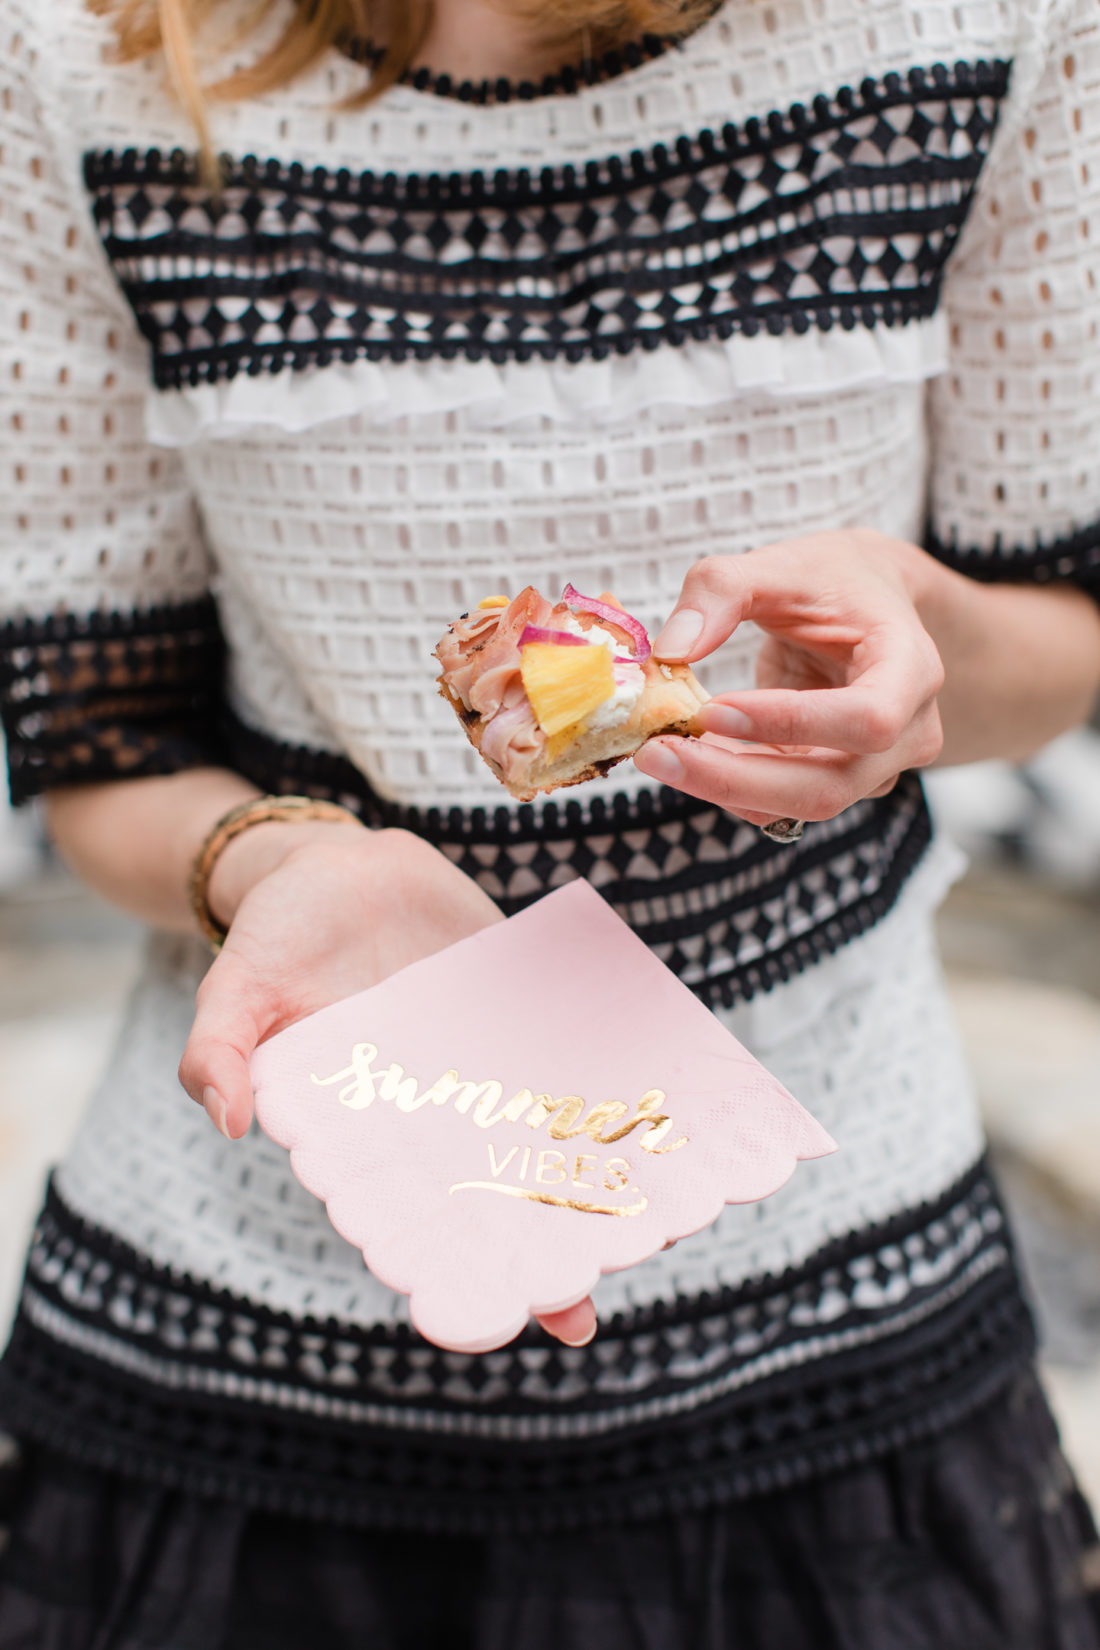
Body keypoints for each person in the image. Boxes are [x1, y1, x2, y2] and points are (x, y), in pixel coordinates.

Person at [1, 0, 1099, 1642]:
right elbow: (96, 735)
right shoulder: (83, 57)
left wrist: (915, 637)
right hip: (251, 1334)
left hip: (832, 1316)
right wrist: (287, 859)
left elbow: (1058, 633)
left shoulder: (998, 25)